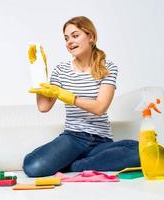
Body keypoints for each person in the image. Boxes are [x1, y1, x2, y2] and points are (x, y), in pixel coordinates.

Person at [23, 16, 140, 177]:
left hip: (102, 140)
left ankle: (75, 165)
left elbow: (100, 107)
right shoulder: (61, 70)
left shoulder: (108, 68)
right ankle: (88, 163)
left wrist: (70, 97)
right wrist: (39, 71)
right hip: (73, 138)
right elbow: (43, 107)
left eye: (75, 35)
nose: (69, 41)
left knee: (139, 151)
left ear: (91, 37)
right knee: (32, 167)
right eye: (66, 38)